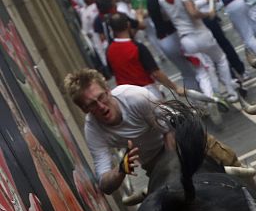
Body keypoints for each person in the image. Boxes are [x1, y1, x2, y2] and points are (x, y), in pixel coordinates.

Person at [63, 68, 241, 194]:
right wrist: (121, 170)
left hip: (178, 135)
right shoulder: (93, 130)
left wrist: (174, 166)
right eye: (92, 105)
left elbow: (169, 130)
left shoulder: (134, 97)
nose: (101, 106)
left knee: (229, 160)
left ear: (108, 91)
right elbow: (104, 184)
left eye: (101, 97)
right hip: (152, 161)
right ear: (84, 110)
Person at [158, 0, 239, 101]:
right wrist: (208, 13)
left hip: (186, 40)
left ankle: (211, 98)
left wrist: (204, 1)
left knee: (202, 70)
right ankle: (231, 92)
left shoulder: (161, 0)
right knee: (221, 59)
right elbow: (193, 13)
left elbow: (166, 17)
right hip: (201, 34)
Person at [105, 13, 183, 99]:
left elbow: (112, 72)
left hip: (125, 97)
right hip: (147, 93)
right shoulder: (137, 47)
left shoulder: (109, 51)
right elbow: (156, 73)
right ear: (128, 24)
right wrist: (175, 88)